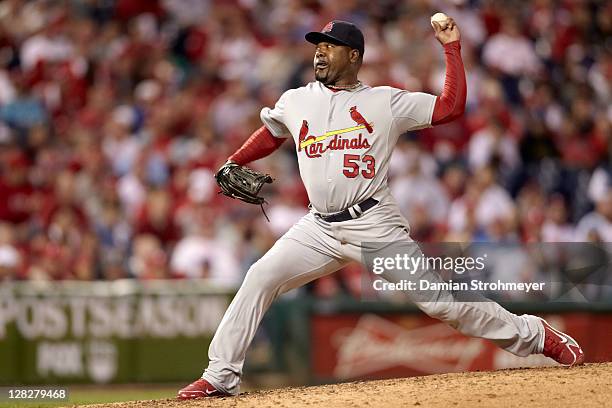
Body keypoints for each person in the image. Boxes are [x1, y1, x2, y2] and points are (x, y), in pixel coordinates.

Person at [178, 18, 584, 399]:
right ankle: (220, 377)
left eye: (330, 47)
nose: (319, 53)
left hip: (373, 223)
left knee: (442, 303)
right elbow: (271, 133)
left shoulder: (384, 102)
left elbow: (449, 108)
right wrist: (236, 159)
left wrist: (452, 48)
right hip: (318, 227)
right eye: (317, 46)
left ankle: (535, 335)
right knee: (260, 276)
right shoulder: (297, 100)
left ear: (353, 56)